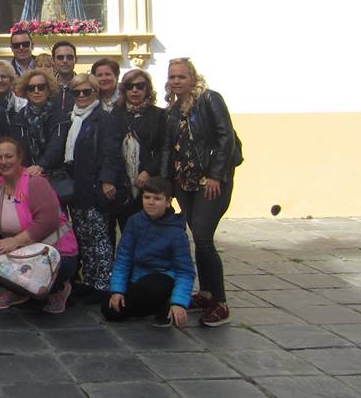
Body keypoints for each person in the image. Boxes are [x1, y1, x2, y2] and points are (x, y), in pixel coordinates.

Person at [162, 57, 240, 327]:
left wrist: (216, 174)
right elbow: (169, 147)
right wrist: (167, 184)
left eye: (181, 76)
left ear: (193, 78)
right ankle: (206, 293)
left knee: (204, 238)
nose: (176, 81)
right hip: (185, 183)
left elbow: (225, 137)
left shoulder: (209, 100)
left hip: (210, 181)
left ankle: (220, 302)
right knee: (198, 236)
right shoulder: (173, 110)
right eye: (172, 77)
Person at [0, 137, 78, 313]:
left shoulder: (35, 182)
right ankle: (18, 291)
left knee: (44, 281)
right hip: (16, 251)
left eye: (9, 156)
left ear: (20, 158)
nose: (3, 162)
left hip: (51, 250)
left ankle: (58, 289)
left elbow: (48, 221)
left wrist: (15, 242)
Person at [63, 73, 124, 303]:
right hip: (77, 187)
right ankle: (88, 280)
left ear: (95, 93)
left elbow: (112, 153)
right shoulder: (72, 118)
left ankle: (103, 284)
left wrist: (107, 179)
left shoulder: (103, 119)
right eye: (76, 92)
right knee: (83, 236)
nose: (81, 96)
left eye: (86, 91)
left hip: (96, 186)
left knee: (100, 238)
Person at [103, 176, 195, 328]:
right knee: (110, 309)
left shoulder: (177, 233)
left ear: (168, 202)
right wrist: (117, 291)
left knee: (151, 288)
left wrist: (179, 302)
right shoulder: (134, 222)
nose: (150, 202)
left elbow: (185, 272)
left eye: (157, 199)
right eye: (147, 197)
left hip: (162, 279)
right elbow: (123, 258)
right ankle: (152, 307)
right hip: (138, 277)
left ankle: (167, 304)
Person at [113, 68, 166, 230]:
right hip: (123, 184)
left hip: (149, 183)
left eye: (140, 86)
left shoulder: (159, 115)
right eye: (129, 86)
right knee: (127, 230)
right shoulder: (116, 114)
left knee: (150, 231)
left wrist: (148, 172)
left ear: (147, 89)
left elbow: (164, 149)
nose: (134, 90)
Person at [9, 68, 69, 176]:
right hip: (25, 173)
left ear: (48, 90)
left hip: (56, 174)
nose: (36, 91)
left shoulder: (60, 118)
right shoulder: (18, 119)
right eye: (31, 88)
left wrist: (40, 166)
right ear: (26, 92)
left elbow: (56, 148)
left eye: (41, 87)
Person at [50, 40, 78, 113]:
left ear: (76, 59)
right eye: (60, 57)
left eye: (69, 57)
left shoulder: (84, 86)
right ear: (53, 60)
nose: (65, 61)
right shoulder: (46, 87)